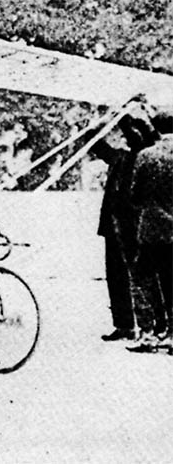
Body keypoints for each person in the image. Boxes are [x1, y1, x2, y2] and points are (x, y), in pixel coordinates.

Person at [88, 101, 159, 341]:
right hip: (112, 227)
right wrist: (98, 123)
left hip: (132, 227)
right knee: (116, 277)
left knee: (139, 278)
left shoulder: (144, 157)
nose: (125, 139)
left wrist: (126, 117)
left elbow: (144, 138)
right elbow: (96, 145)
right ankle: (124, 325)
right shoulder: (119, 158)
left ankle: (145, 326)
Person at [126, 110, 173, 354]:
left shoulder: (146, 156)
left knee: (142, 276)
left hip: (153, 229)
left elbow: (135, 196)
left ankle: (148, 333)